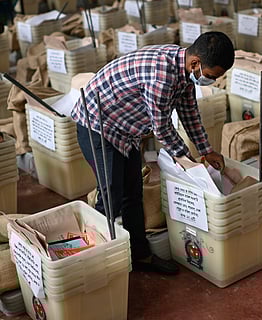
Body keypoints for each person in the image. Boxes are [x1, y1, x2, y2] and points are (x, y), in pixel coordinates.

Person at [71, 32, 235, 274]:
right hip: (97, 126)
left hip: (125, 131)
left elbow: (189, 112)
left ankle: (140, 256)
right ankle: (96, 267)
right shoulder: (162, 74)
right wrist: (185, 159)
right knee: (111, 197)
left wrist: (206, 150)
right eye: (211, 76)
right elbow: (161, 127)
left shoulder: (184, 72)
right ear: (195, 63)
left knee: (133, 195)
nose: (210, 81)